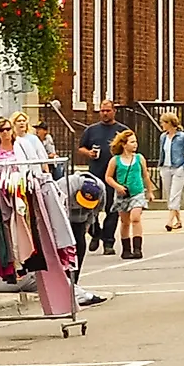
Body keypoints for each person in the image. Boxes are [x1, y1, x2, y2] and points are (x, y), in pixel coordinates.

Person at [76, 100, 130, 253]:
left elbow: (131, 148)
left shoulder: (122, 130)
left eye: (107, 110)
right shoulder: (91, 130)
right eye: (102, 111)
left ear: (114, 111)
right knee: (91, 209)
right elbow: (81, 147)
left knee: (112, 210)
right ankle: (95, 233)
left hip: (114, 177)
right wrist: (89, 153)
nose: (105, 113)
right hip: (95, 176)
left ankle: (108, 242)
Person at [109, 130, 149, 259]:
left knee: (135, 217)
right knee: (124, 222)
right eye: (132, 142)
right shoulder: (115, 160)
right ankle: (126, 249)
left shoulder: (139, 158)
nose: (135, 144)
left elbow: (145, 175)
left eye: (135, 141)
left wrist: (150, 191)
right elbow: (108, 177)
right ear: (124, 144)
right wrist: (118, 187)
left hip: (137, 193)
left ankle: (138, 249)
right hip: (123, 195)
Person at [158, 110, 184, 232]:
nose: (162, 124)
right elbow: (162, 152)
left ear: (169, 123)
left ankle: (169, 222)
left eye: (163, 122)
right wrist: (160, 166)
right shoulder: (163, 137)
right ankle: (178, 220)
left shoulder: (182, 137)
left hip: (178, 168)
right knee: (170, 196)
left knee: (174, 195)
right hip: (165, 168)